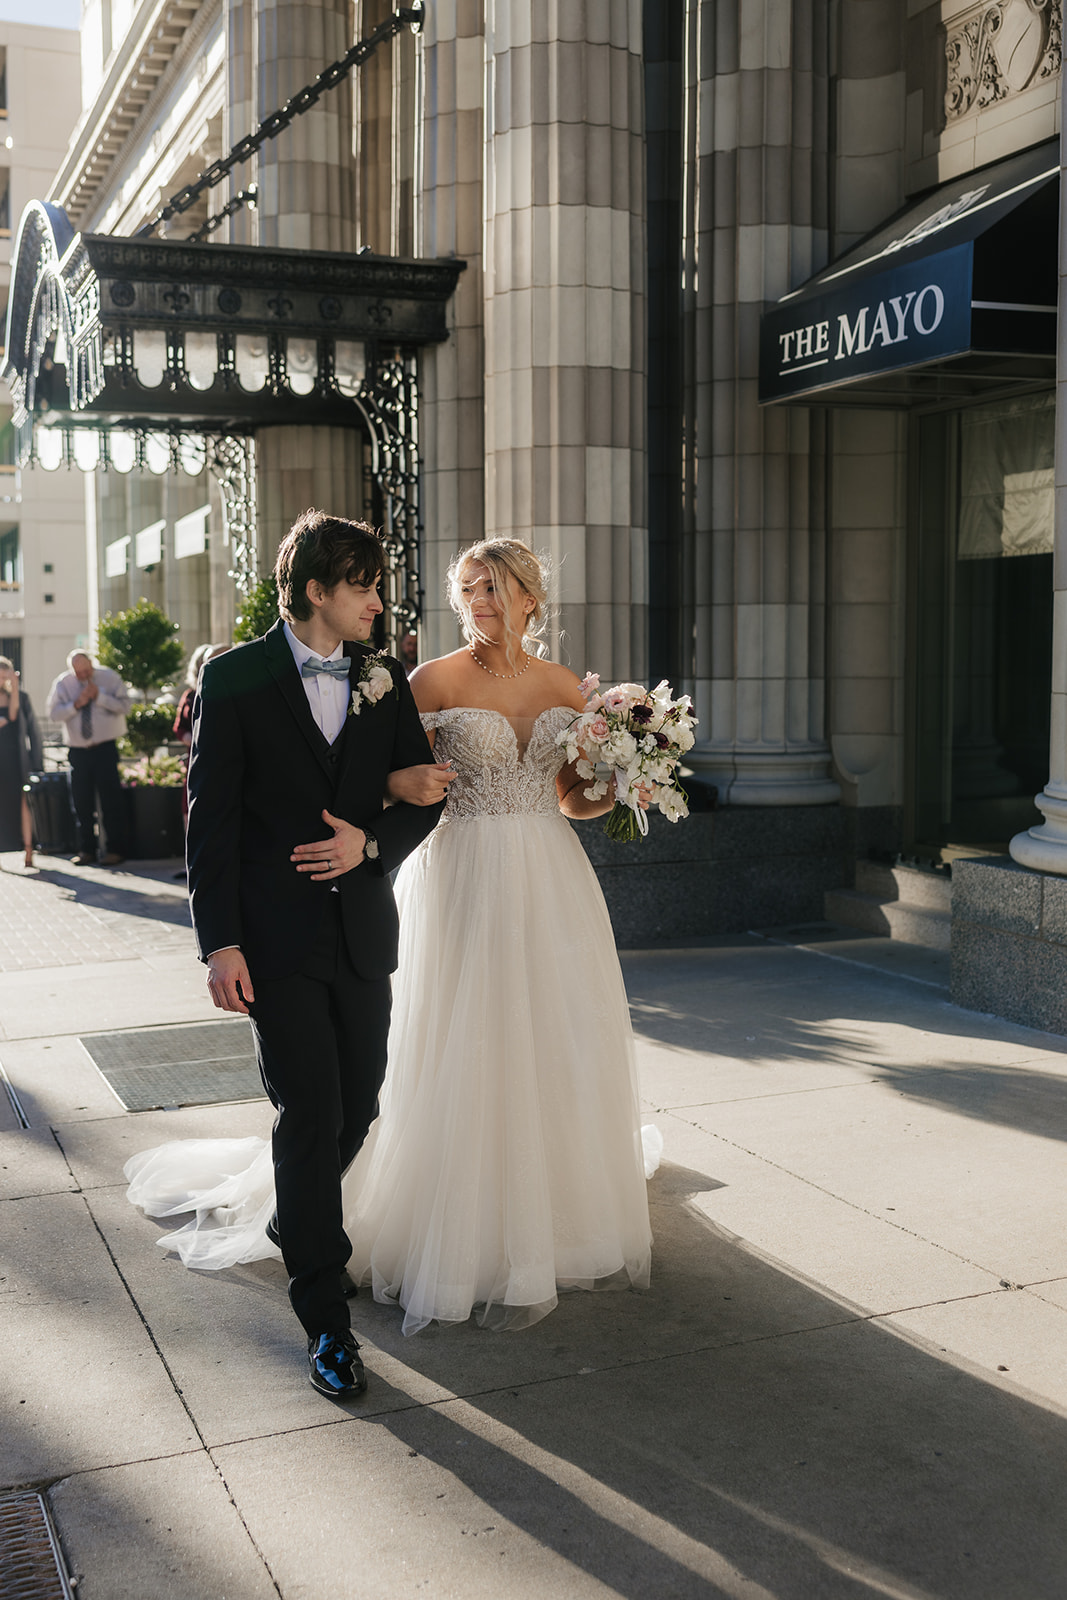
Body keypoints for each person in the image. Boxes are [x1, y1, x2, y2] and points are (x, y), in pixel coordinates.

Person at [127, 537, 659, 1350]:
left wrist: (623, 769)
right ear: (315, 590)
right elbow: (274, 804)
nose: (476, 601)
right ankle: (326, 1304)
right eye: (468, 588)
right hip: (445, 881)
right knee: (387, 1074)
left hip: (544, 876)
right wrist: (221, 942)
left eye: (492, 588)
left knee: (530, 1047)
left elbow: (562, 797)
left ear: (528, 596)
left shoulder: (552, 687)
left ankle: (527, 1211)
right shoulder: (417, 680)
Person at [165, 509, 445, 1400]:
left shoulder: (382, 675)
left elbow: (424, 796)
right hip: (274, 938)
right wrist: (221, 944)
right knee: (308, 1106)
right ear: (316, 590)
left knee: (356, 1103)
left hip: (362, 930)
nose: (377, 601)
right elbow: (209, 822)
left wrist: (371, 844)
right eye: (362, 585)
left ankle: (298, 1214)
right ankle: (327, 1321)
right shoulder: (236, 677)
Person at [45, 650, 130, 866]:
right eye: (78, 671)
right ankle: (87, 850)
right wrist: (76, 704)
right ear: (72, 669)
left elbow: (125, 706)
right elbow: (53, 714)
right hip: (78, 750)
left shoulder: (109, 678)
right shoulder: (63, 684)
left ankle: (116, 850)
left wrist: (99, 697)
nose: (83, 674)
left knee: (111, 801)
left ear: (92, 664)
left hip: (105, 748)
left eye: (86, 669)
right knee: (82, 802)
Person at [0, 657, 42, 868]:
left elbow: (17, 718)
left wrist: (14, 687)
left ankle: (28, 850)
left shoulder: (21, 697)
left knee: (23, 802)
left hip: (15, 759)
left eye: (5, 676)